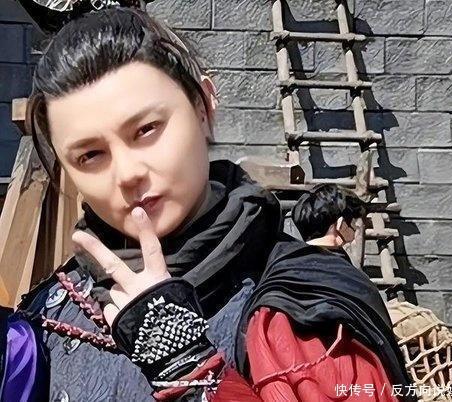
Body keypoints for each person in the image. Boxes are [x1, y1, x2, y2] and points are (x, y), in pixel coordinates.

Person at [0, 7, 415, 402]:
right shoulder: (46, 317)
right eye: (90, 155)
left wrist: (188, 366)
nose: (126, 173)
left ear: (202, 104)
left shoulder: (302, 305)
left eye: (146, 129)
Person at [291, 184, 366, 263]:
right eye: (354, 222)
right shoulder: (340, 265)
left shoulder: (290, 257)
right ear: (340, 224)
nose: (357, 228)